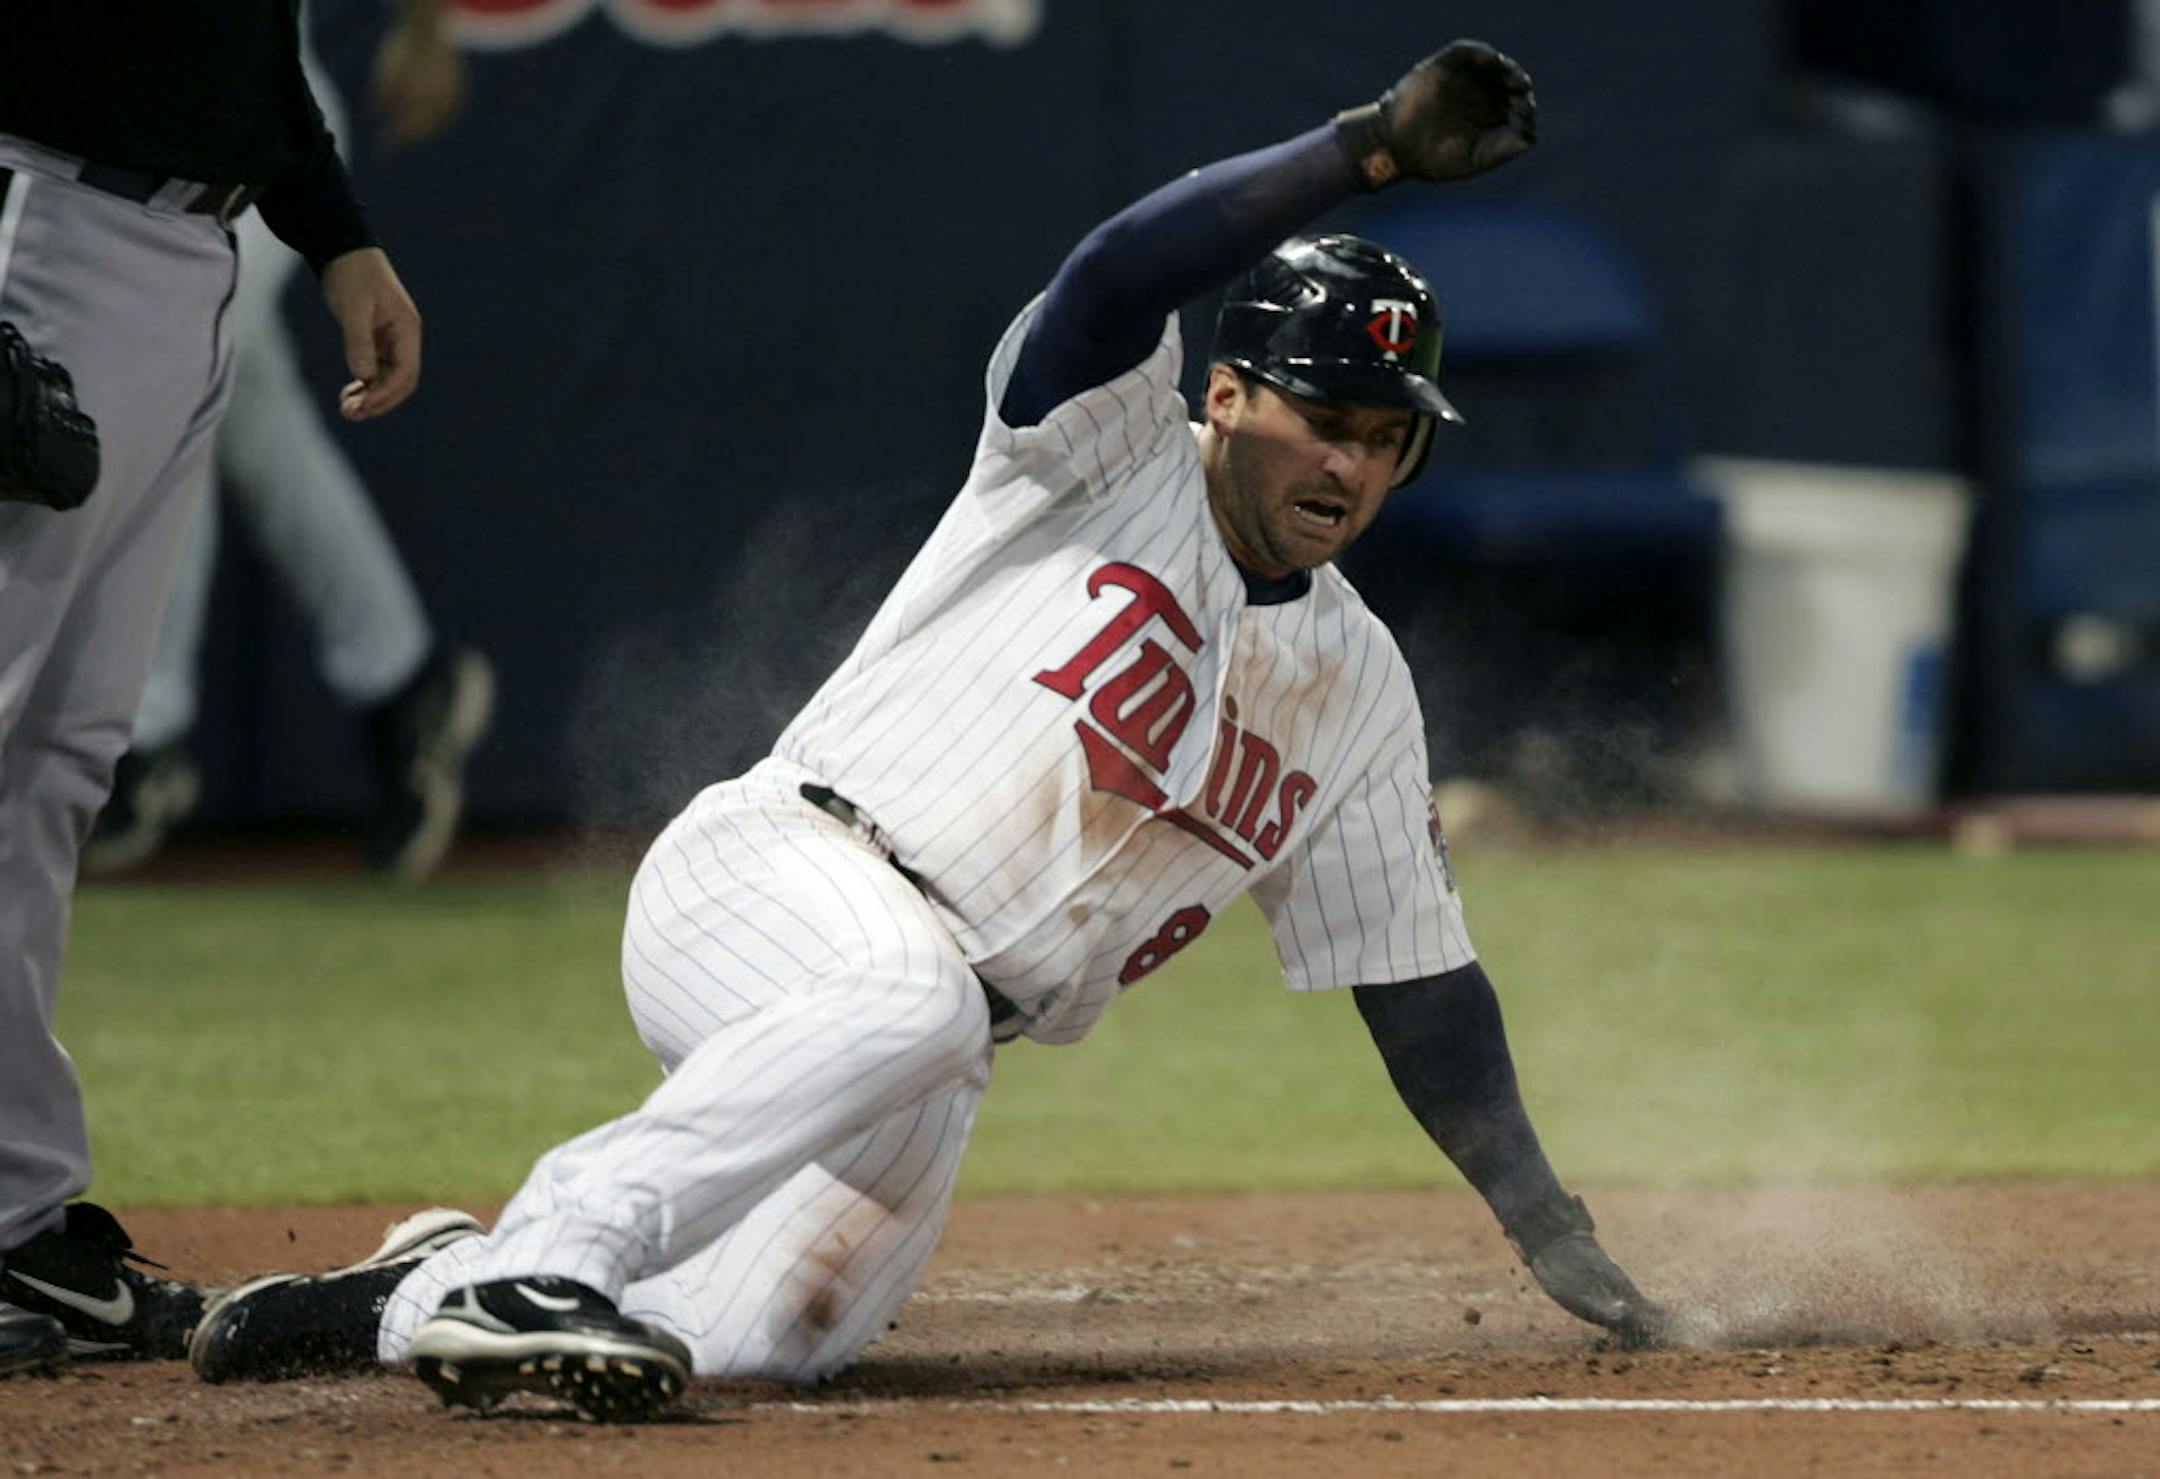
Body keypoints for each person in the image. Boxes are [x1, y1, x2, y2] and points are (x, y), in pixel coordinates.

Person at [188, 40, 1670, 1422]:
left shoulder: (1359, 685)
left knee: (770, 1334)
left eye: (1385, 436)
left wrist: (1543, 1216)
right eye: (1325, 417)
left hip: (930, 1047)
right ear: (1225, 394)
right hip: (783, 881)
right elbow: (1119, 269)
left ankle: (428, 1286)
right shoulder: (1099, 451)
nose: (1353, 461)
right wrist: (1364, 152)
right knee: (918, 1003)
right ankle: (555, 1247)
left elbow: (1417, 979)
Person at [0, 3, 423, 1377]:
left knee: (52, 768)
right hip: (41, 232)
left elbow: (244, 36)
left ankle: (14, 1225)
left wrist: (336, 233)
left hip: (187, 256)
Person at [85, 0, 492, 882]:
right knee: (248, 412)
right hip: (141, 132)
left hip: (256, 120)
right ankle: (404, 679)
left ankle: (148, 732)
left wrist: (427, 35)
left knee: (179, 369)